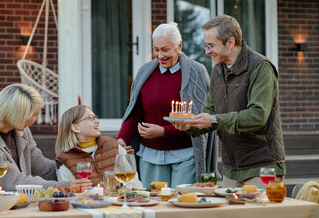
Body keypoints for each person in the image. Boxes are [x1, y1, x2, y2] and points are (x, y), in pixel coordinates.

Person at [173, 14, 286, 189]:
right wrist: (190, 126)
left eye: (211, 46)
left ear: (230, 42)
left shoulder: (261, 67)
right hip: (231, 170)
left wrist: (213, 120)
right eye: (205, 45)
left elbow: (257, 116)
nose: (206, 51)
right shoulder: (217, 71)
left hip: (262, 168)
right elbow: (210, 115)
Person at [116, 22, 218, 188]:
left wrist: (162, 132)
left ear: (179, 46)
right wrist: (121, 139)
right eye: (156, 49)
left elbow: (200, 120)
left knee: (181, 209)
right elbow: (134, 113)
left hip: (185, 157)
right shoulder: (145, 72)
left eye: (165, 49)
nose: (160, 55)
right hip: (149, 156)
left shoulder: (197, 72)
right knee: (155, 208)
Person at [0, 84, 90, 198]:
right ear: (18, 115)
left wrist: (71, 172)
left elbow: (38, 163)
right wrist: (63, 185)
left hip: (16, 202)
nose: (36, 119)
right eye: (34, 115)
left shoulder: (20, 129)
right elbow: (14, 182)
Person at [55, 105, 143, 189]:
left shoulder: (113, 145)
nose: (97, 121)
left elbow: (136, 185)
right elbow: (69, 195)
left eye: (95, 118)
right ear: (76, 128)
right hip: (89, 204)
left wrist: (116, 188)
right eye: (90, 118)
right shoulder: (64, 160)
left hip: (119, 202)